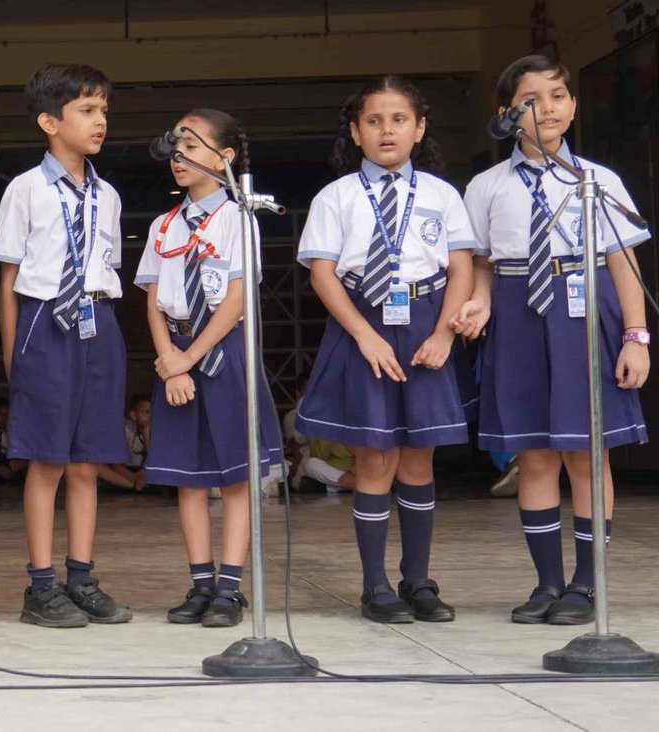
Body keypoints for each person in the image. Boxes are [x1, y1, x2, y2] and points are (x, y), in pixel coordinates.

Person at [454, 55, 650, 624]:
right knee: (535, 454)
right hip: (518, 312)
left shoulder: (598, 181)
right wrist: (479, 301)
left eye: (558, 97)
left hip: (584, 309)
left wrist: (636, 336)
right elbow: (483, 262)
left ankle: (585, 585)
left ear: (574, 105)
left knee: (587, 453)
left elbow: (622, 262)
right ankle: (547, 584)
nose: (547, 109)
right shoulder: (487, 186)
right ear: (505, 114)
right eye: (531, 100)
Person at [295, 76, 476, 625]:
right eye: (373, 121)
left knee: (418, 457)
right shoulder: (336, 196)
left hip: (426, 322)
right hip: (362, 322)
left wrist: (444, 334)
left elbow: (461, 267)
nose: (386, 130)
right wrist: (363, 334)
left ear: (419, 129)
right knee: (374, 458)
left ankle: (418, 579)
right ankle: (375, 586)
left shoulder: (442, 195)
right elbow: (323, 274)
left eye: (399, 120)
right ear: (356, 132)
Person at [0, 63, 132, 628]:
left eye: (103, 111)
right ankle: (41, 585)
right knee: (47, 461)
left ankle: (81, 578)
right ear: (50, 122)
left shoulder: (109, 195)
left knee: (87, 462)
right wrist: (13, 355)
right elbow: (9, 280)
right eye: (86, 110)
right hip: (44, 324)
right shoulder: (24, 189)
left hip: (98, 323)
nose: (100, 121)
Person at [135, 109, 282, 628]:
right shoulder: (163, 225)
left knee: (235, 477)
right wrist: (171, 366)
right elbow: (153, 302)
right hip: (175, 353)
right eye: (175, 146)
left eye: (192, 146)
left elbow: (236, 300)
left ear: (225, 157)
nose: (179, 156)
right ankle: (200, 582)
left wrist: (189, 359)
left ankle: (230, 587)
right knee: (188, 478)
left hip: (223, 352)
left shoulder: (239, 218)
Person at [98, 395, 150, 491]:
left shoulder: (155, 431)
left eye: (152, 413)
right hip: (122, 468)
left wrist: (146, 430)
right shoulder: (125, 430)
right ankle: (133, 485)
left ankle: (137, 484)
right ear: (133, 415)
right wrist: (134, 477)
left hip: (139, 468)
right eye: (146, 412)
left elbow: (153, 458)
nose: (150, 416)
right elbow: (116, 463)